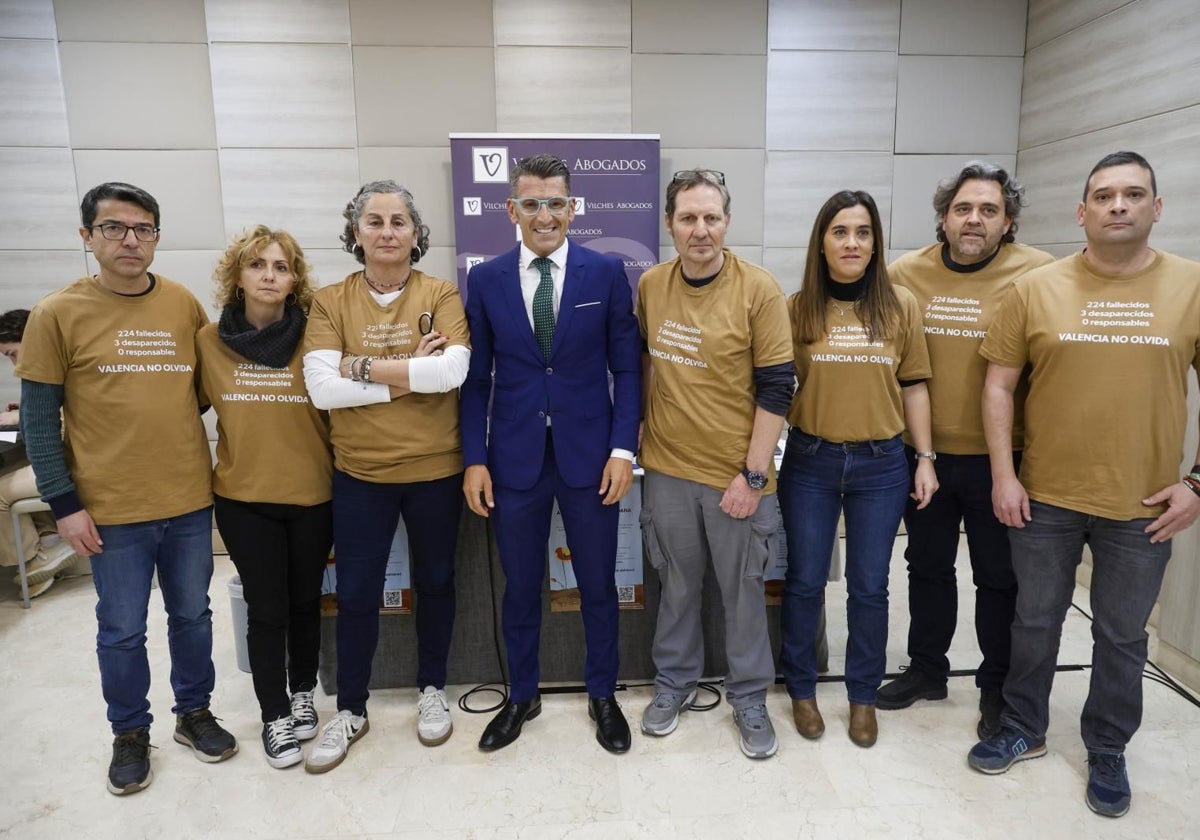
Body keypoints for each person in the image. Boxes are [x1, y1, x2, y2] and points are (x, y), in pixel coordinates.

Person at [968, 151, 1200, 819]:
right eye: (1104, 196)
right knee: (1034, 620)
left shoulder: (1190, 287)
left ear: (1157, 208)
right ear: (1082, 212)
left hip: (1146, 505)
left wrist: (1197, 485)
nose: (1118, 206)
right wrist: (1004, 475)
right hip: (1045, 497)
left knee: (1123, 635)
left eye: (1133, 195)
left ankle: (1107, 745)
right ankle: (1022, 727)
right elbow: (999, 384)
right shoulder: (1036, 289)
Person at [17, 182, 236, 796]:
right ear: (87, 237)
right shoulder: (56, 314)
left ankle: (194, 714)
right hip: (109, 510)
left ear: (158, 239)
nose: (129, 240)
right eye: (113, 228)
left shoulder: (183, 305)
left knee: (193, 614)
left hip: (189, 500)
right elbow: (39, 421)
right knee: (121, 628)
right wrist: (64, 504)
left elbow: (199, 389)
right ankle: (130, 733)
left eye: (142, 229)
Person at [461, 153, 640, 754]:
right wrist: (475, 458)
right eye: (532, 203)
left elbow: (627, 369)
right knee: (520, 586)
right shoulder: (484, 280)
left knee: (596, 583)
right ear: (512, 209)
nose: (545, 214)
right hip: (512, 461)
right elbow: (477, 380)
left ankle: (602, 695)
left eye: (556, 202)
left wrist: (622, 448)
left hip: (592, 458)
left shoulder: (606, 273)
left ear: (573, 208)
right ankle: (522, 695)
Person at [879, 163, 1054, 737]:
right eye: (962, 209)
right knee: (926, 566)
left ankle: (997, 687)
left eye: (988, 210)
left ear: (1009, 222)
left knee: (998, 577)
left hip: (1002, 460)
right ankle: (927, 669)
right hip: (923, 455)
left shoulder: (1039, 274)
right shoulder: (906, 273)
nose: (974, 219)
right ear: (944, 217)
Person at [301, 180, 470, 773]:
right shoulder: (328, 301)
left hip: (434, 471)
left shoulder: (441, 291)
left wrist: (361, 367)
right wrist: (408, 370)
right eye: (374, 221)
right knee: (354, 594)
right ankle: (350, 709)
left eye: (399, 221)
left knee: (437, 581)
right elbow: (322, 388)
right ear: (355, 234)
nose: (387, 232)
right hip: (360, 475)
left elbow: (452, 372)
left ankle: (432, 690)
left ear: (417, 234)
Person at [636, 168, 791, 759]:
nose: (700, 230)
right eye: (687, 218)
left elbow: (778, 388)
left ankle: (749, 695)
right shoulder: (651, 284)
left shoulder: (759, 289)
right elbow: (648, 362)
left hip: (737, 476)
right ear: (670, 225)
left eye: (711, 218)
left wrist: (752, 477)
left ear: (727, 222)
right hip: (668, 470)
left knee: (743, 591)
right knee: (676, 586)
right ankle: (674, 684)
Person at [777, 190, 937, 748]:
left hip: (882, 466)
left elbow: (914, 386)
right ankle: (801, 689)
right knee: (804, 583)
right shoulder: (796, 309)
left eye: (862, 232)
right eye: (840, 231)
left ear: (875, 243)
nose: (851, 242)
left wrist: (925, 458)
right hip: (810, 462)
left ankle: (862, 696)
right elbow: (776, 390)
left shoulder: (901, 306)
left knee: (870, 587)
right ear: (822, 242)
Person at [196, 226, 333, 769]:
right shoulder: (207, 341)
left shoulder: (318, 336)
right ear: (238, 277)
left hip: (312, 494)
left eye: (280, 266)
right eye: (257, 266)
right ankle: (274, 714)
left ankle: (303, 691)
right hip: (242, 498)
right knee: (266, 608)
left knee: (305, 603)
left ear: (295, 278)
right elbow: (179, 412)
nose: (269, 276)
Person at [0, 309, 78, 598]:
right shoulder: (65, 357)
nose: (13, 364)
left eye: (12, 353)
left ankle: (35, 560)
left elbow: (56, 420)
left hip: (73, 462)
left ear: (29, 340)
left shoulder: (53, 364)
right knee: (17, 465)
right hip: (74, 456)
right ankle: (49, 540)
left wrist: (21, 417)